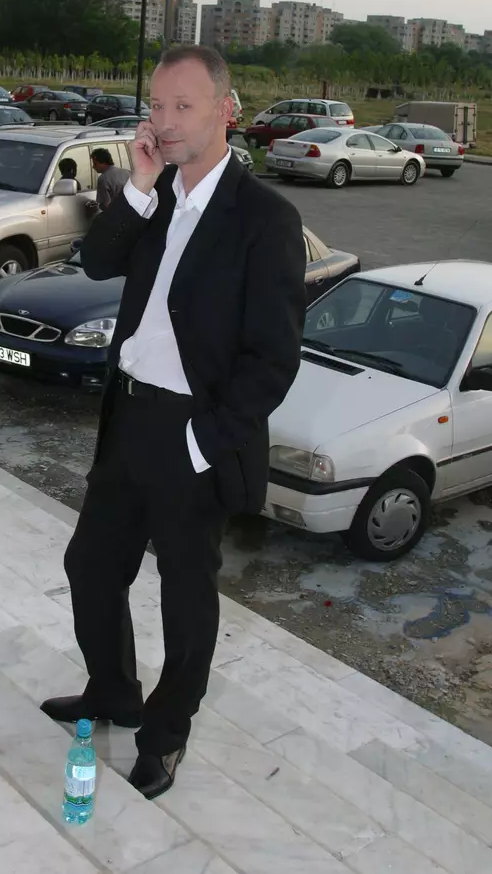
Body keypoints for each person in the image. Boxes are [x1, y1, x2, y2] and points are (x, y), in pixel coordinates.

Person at [40, 46, 306, 800]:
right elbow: (95, 262)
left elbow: (273, 360)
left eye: (184, 106)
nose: (166, 120)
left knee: (185, 599)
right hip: (129, 420)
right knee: (90, 565)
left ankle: (166, 733)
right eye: (157, 105)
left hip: (193, 434)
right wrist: (141, 189)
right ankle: (114, 691)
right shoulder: (151, 198)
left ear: (228, 109)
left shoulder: (266, 219)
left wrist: (202, 441)